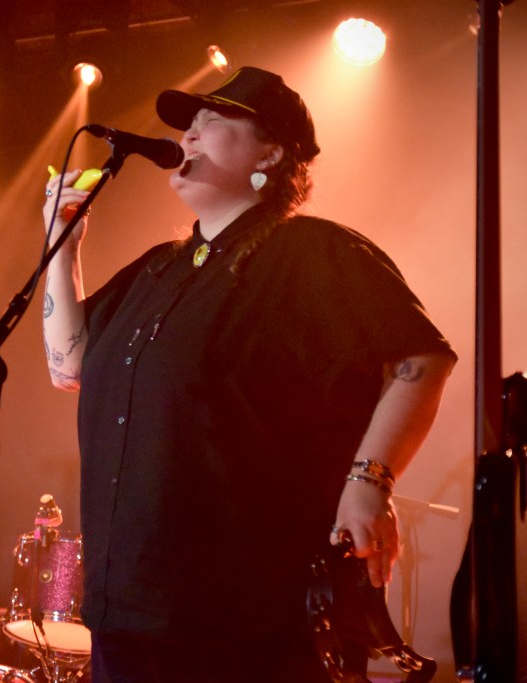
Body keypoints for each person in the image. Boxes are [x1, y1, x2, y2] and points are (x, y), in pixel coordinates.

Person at [41, 66, 456, 682]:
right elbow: (68, 363)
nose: (188, 135)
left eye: (211, 121)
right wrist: (63, 247)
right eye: (187, 125)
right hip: (124, 609)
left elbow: (421, 360)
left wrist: (369, 482)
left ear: (272, 153)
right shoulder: (158, 268)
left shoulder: (312, 251)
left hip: (244, 616)